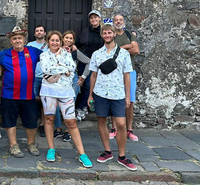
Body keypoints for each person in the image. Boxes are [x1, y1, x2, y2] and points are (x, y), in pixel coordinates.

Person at [39, 31, 93, 167]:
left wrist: (59, 68)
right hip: (48, 91)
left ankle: (82, 154)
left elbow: (72, 68)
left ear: (60, 42)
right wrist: (63, 69)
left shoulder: (67, 54)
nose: (55, 43)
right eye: (52, 40)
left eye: (57, 40)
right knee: (49, 119)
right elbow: (46, 69)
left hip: (66, 91)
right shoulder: (43, 55)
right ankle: (51, 149)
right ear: (48, 41)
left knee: (71, 122)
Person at [88, 24, 137, 171]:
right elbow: (93, 75)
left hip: (118, 93)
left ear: (114, 34)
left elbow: (127, 75)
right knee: (101, 121)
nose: (107, 35)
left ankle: (121, 156)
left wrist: (128, 96)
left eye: (109, 33)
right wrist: (90, 94)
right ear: (102, 35)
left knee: (121, 124)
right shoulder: (97, 54)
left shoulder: (123, 54)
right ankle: (107, 151)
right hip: (101, 92)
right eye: (105, 33)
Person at [0, 26, 43, 158]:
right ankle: (13, 145)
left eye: (20, 38)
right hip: (9, 94)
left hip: (28, 94)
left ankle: (31, 143)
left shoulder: (33, 52)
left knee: (31, 121)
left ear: (24, 39)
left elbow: (49, 55)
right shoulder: (5, 54)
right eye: (14, 39)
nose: (17, 40)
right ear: (11, 41)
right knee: (10, 121)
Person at [109, 15, 140, 141]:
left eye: (120, 20)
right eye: (116, 20)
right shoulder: (111, 35)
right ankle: (114, 128)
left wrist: (121, 48)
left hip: (130, 71)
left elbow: (136, 49)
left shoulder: (128, 34)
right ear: (113, 22)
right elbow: (111, 50)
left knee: (130, 101)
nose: (118, 22)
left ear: (123, 22)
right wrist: (128, 47)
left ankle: (129, 129)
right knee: (114, 99)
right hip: (115, 72)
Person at [60, 30, 91, 142]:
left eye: (71, 38)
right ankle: (58, 128)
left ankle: (68, 131)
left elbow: (89, 62)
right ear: (62, 38)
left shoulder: (75, 52)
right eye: (66, 38)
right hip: (58, 79)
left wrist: (83, 77)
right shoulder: (56, 49)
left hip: (72, 80)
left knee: (70, 106)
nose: (68, 40)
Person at [75, 10, 104, 121]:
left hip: (99, 63)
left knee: (91, 85)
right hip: (85, 61)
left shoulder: (103, 31)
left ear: (99, 18)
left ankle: (83, 107)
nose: (93, 20)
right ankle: (81, 107)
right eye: (91, 18)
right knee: (82, 85)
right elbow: (80, 43)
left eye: (95, 17)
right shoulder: (85, 31)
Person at [26, 25, 50, 138]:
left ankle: (43, 125)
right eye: (37, 31)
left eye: (41, 30)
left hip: (47, 77)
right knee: (33, 100)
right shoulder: (30, 45)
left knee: (45, 102)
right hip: (34, 76)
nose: (39, 32)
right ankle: (32, 122)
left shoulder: (50, 45)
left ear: (45, 33)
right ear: (35, 33)